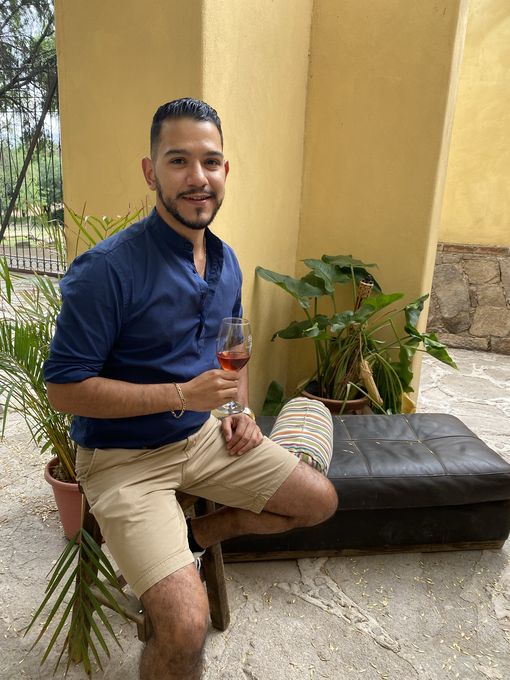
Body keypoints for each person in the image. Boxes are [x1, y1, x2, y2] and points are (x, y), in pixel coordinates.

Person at [44, 98, 338, 680]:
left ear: (226, 170)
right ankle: (173, 562)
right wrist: (181, 396)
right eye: (178, 161)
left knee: (318, 501)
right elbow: (65, 390)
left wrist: (237, 409)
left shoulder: (226, 261)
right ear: (150, 171)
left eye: (210, 161)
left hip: (205, 438)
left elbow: (233, 350)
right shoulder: (106, 270)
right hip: (122, 460)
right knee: (184, 625)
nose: (197, 177)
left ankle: (194, 536)